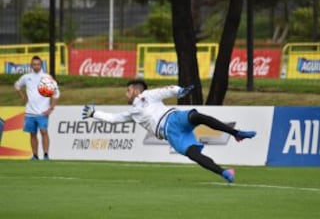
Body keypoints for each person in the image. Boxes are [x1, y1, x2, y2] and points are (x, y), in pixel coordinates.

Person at [82, 79, 256, 183]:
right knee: (195, 155)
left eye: (128, 91)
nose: (126, 94)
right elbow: (113, 119)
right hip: (172, 135)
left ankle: (236, 133)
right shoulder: (132, 113)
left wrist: (179, 91)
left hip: (173, 118)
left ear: (136, 90)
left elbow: (165, 91)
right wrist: (93, 113)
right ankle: (224, 172)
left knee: (197, 117)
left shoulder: (148, 95)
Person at [14, 56, 60, 160]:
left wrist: (51, 108)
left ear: (41, 65)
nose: (36, 66)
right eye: (34, 64)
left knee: (44, 132)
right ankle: (35, 155)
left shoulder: (47, 77)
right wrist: (22, 96)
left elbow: (56, 93)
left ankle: (46, 155)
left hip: (42, 112)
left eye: (38, 64)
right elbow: (17, 85)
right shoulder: (26, 77)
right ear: (31, 65)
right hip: (30, 112)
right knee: (32, 134)